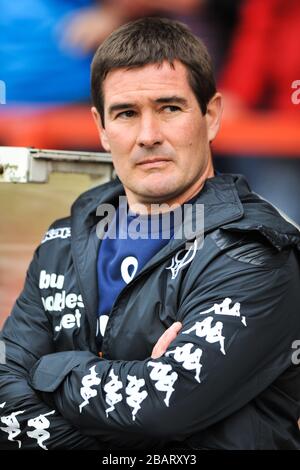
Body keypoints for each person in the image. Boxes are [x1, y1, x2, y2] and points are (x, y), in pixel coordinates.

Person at [0, 17, 300, 450]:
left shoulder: (256, 254)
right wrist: (134, 416)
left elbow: (163, 407)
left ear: (211, 116)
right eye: (125, 113)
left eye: (170, 108)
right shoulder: (62, 240)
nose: (148, 135)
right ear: (101, 129)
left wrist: (54, 369)